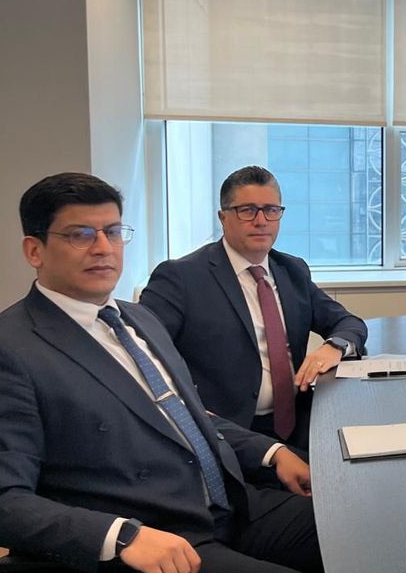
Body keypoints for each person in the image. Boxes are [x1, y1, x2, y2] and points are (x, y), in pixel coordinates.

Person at [0, 173, 326, 573]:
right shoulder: (3, 351)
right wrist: (121, 536)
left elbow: (186, 414)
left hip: (224, 504)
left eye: (112, 231)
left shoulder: (137, 319)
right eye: (80, 234)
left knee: (349, 528)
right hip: (148, 536)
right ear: (34, 251)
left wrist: (271, 452)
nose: (102, 248)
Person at [141, 166, 367, 450]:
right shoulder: (181, 278)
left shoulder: (291, 270)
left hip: (302, 421)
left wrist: (334, 346)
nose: (261, 221)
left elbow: (350, 323)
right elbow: (144, 358)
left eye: (271, 210)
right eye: (247, 210)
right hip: (228, 436)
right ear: (223, 217)